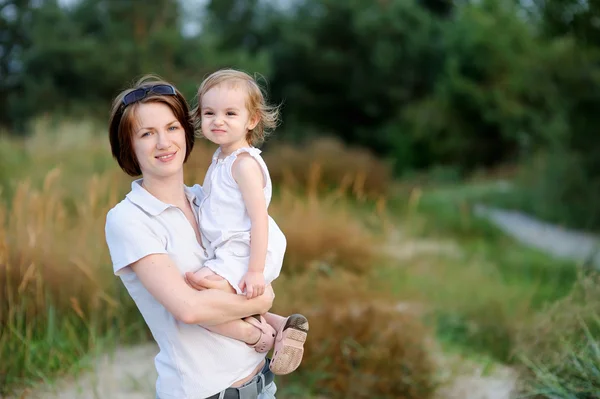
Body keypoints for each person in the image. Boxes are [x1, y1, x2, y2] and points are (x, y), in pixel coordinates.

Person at [104, 76, 290, 399]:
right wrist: (256, 320)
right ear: (129, 146)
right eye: (147, 134)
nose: (164, 143)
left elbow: (264, 259)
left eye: (172, 128)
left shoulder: (208, 201)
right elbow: (189, 309)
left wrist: (258, 298)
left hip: (262, 385)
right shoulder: (130, 218)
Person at [187, 69, 308, 376]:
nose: (218, 120)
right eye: (209, 113)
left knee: (198, 292)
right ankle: (279, 324)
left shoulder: (244, 163)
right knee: (204, 291)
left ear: (251, 120)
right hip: (231, 247)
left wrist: (255, 271)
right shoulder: (221, 157)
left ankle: (260, 336)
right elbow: (215, 200)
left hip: (245, 249)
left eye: (230, 113)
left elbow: (259, 219)